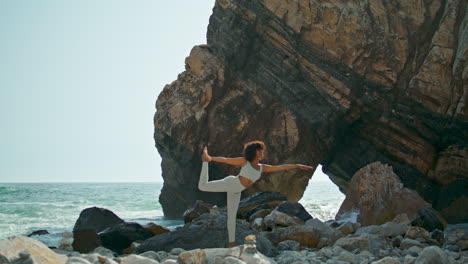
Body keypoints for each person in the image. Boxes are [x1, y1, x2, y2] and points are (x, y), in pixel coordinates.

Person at [198, 140, 314, 248]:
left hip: (237, 190)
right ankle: (205, 162)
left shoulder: (261, 168)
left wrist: (297, 165)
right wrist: (210, 158)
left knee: (232, 216)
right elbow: (226, 160)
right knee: (202, 186)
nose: (263, 152)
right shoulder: (244, 161)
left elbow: (279, 168)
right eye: (261, 150)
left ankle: (231, 243)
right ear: (255, 152)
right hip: (231, 183)